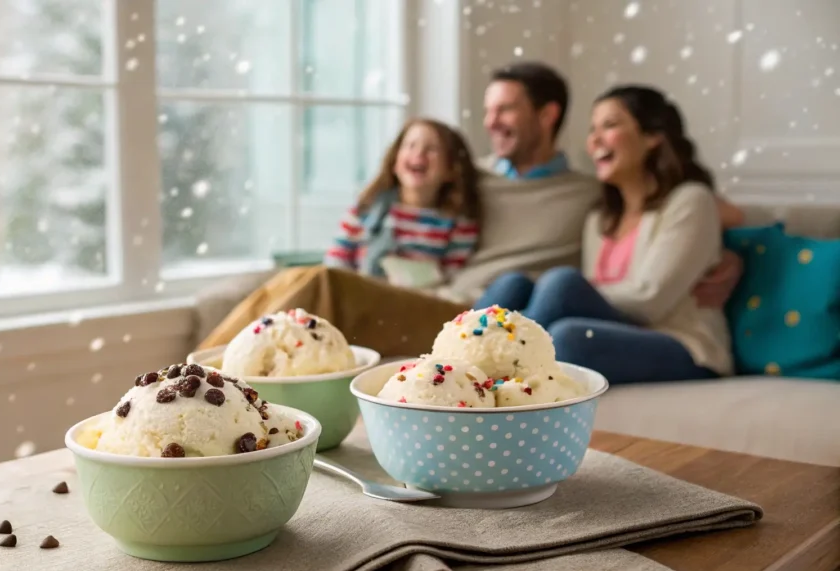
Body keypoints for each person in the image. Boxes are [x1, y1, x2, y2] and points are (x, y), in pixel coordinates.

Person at [197, 62, 742, 364]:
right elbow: (394, 188)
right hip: (452, 299)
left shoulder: (587, 194)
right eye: (488, 110)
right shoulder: (464, 177)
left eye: (506, 109)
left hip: (472, 310)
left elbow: (691, 206)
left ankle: (478, 369)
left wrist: (734, 255)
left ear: (547, 115)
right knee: (305, 280)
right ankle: (202, 368)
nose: (492, 122)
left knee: (323, 285)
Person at [475, 85, 733, 383]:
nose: (594, 140)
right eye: (592, 130)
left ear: (652, 136)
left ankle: (483, 374)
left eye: (609, 126)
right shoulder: (600, 218)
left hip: (681, 343)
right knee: (513, 283)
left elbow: (651, 300)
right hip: (615, 328)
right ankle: (455, 363)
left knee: (566, 323)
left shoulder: (690, 200)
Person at [324, 118, 480, 284]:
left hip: (414, 301)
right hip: (359, 295)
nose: (419, 153)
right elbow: (337, 260)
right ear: (394, 162)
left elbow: (452, 280)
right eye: (410, 145)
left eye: (432, 149)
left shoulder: (458, 224)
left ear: (452, 169)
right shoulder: (366, 208)